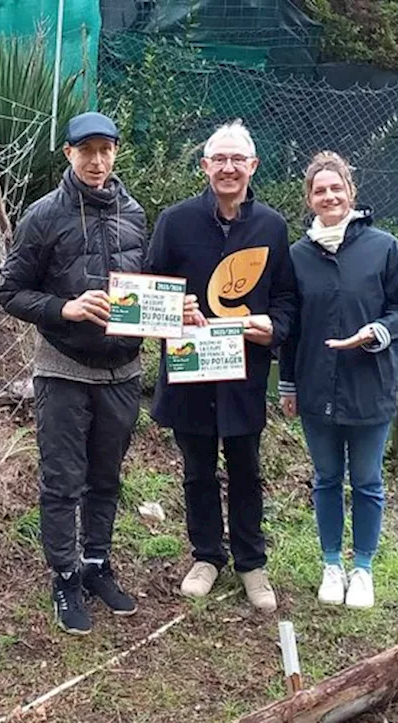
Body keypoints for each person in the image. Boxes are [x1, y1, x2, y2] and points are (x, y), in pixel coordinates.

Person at [0, 111, 148, 636]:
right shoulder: (44, 215)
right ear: (68, 154)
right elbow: (9, 292)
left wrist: (173, 315)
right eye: (87, 151)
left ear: (116, 152)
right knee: (63, 482)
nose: (97, 161)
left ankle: (96, 564)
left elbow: (147, 293)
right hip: (64, 369)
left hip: (123, 372)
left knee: (106, 479)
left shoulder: (135, 214)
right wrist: (66, 309)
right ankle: (64, 575)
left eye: (106, 150)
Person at [146, 120, 298, 613]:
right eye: (220, 159)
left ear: (253, 167)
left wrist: (273, 327)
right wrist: (177, 310)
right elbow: (146, 292)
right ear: (205, 166)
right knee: (197, 470)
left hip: (243, 375)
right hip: (190, 369)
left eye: (238, 160)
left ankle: (252, 563)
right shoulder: (175, 221)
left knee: (246, 468)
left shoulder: (272, 227)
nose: (229, 168)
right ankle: (207, 557)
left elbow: (286, 298)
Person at [278, 151, 398, 609]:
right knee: (325, 478)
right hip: (315, 388)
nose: (329, 196)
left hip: (370, 386)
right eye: (320, 190)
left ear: (351, 193)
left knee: (366, 480)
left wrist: (378, 332)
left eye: (336, 188)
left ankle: (362, 569)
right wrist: (287, 384)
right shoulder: (296, 256)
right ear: (309, 199)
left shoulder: (384, 248)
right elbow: (290, 325)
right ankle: (330, 564)